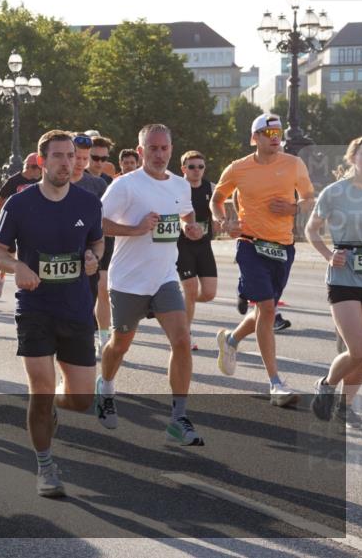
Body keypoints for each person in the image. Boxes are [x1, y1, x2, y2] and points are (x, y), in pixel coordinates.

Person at [0, 130, 103, 497]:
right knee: (40, 386)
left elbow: (97, 240)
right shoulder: (20, 205)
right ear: (42, 162)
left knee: (83, 399)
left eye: (71, 156)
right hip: (35, 307)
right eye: (58, 156)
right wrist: (17, 265)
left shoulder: (88, 203)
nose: (66, 162)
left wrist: (93, 257)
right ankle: (45, 465)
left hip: (77, 307)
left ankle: (52, 404)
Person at [96, 124, 206, 446]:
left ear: (172, 150)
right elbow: (97, 222)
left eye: (164, 148)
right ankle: (105, 388)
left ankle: (178, 417)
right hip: (129, 280)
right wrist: (136, 229)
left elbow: (186, 215)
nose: (159, 154)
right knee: (120, 344)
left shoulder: (180, 185)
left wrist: (191, 228)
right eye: (153, 149)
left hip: (164, 277)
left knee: (182, 340)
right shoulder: (125, 186)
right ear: (141, 151)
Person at [211, 113, 315, 407]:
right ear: (254, 137)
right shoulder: (238, 168)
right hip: (250, 243)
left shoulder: (294, 164)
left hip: (283, 247)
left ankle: (230, 339)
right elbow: (216, 198)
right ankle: (275, 383)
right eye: (268, 133)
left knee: (263, 311)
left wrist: (294, 207)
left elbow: (309, 198)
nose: (274, 137)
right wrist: (222, 221)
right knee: (267, 309)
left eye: (277, 133)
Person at [307, 135, 362, 423]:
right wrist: (329, 255)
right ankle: (327, 386)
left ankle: (345, 406)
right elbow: (311, 230)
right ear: (353, 157)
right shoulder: (334, 192)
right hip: (344, 276)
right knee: (358, 348)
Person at [72, 134, 111, 355]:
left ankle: (96, 339)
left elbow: (105, 220)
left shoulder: (97, 184)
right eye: (76, 157)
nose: (80, 163)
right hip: (63, 255)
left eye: (84, 158)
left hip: (91, 253)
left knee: (92, 297)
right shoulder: (57, 181)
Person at [177, 151, 217, 351]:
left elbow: (218, 209)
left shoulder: (211, 187)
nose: (197, 171)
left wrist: (222, 222)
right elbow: (169, 212)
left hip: (203, 245)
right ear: (183, 169)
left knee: (209, 293)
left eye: (200, 167)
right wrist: (184, 226)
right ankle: (185, 335)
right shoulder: (177, 188)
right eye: (192, 167)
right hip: (182, 244)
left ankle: (179, 301)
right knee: (191, 290)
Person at [0, 153, 43, 299]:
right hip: (15, 224)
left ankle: (31, 282)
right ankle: (1, 277)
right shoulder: (14, 181)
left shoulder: (42, 181)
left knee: (30, 253)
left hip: (35, 223)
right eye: (38, 168)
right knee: (9, 253)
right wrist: (11, 211)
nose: (39, 172)